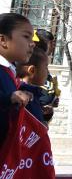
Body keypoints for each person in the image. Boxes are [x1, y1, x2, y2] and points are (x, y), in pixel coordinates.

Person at [0, 13, 36, 146]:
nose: (32, 44)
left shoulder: (11, 71)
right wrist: (9, 98)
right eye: (26, 37)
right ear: (3, 40)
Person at [17, 48, 51, 125]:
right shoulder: (23, 97)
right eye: (46, 67)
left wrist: (45, 116)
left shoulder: (33, 93)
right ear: (32, 70)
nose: (48, 72)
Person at [34, 29, 60, 122]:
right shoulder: (31, 61)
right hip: (32, 114)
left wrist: (52, 100)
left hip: (42, 116)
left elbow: (46, 84)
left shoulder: (43, 62)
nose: (53, 47)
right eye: (51, 44)